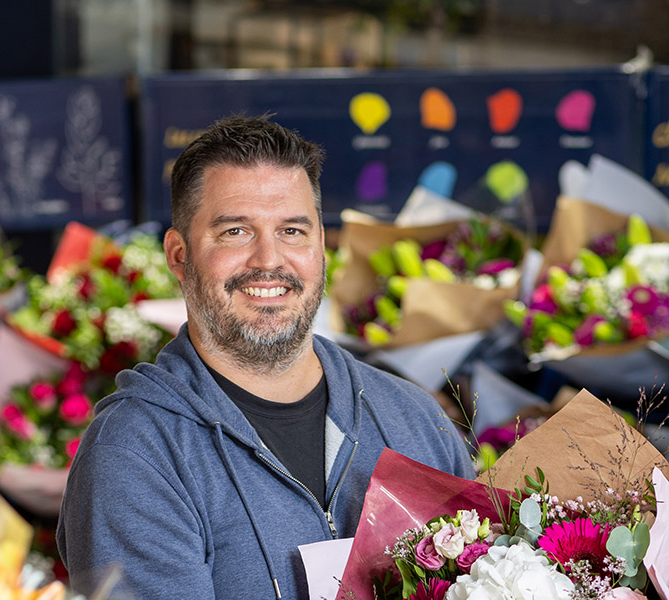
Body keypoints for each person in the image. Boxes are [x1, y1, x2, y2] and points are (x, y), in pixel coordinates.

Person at [56, 115, 475, 599]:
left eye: (293, 231)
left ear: (322, 247)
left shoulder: (415, 419)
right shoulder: (136, 457)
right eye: (235, 232)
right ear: (179, 256)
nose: (269, 260)